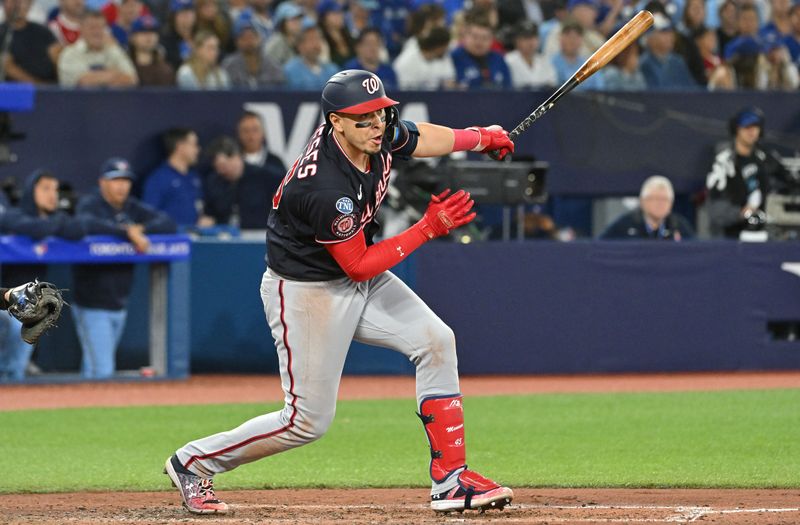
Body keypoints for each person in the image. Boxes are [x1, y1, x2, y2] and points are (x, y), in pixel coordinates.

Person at [164, 69, 515, 515]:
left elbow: (419, 137)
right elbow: (359, 263)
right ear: (336, 123)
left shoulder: (373, 135)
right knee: (306, 422)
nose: (377, 126)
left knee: (436, 341)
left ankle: (450, 481)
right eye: (363, 118)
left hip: (351, 277)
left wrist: (480, 138)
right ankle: (192, 462)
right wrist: (428, 228)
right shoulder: (325, 187)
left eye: (381, 115)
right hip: (307, 292)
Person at [72, 158, 177, 379]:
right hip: (92, 304)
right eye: (115, 180)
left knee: (93, 368)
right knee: (102, 370)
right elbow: (85, 222)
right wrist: (126, 232)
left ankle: (80, 409)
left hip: (118, 302)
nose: (122, 186)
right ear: (102, 182)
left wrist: (141, 228)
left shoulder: (131, 207)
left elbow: (167, 222)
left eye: (125, 180)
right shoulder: (91, 204)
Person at [1, 169, 85, 380]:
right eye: (45, 188)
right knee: (15, 326)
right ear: (31, 191)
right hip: (5, 299)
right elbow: (33, 228)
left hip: (29, 304)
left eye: (55, 190)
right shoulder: (13, 215)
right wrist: (57, 221)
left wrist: (55, 221)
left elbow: (79, 229)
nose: (52, 195)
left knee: (29, 324)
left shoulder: (55, 219)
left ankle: (13, 379)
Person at [706, 107, 792, 238]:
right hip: (731, 234)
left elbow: (789, 179)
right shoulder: (723, 161)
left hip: (764, 231)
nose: (751, 131)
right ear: (736, 129)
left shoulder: (765, 158)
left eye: (755, 127)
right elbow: (715, 206)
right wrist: (741, 213)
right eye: (746, 127)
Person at [144, 127, 214, 228]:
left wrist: (201, 221)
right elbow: (148, 215)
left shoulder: (194, 178)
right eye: (194, 145)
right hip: (171, 240)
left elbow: (198, 207)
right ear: (180, 146)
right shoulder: (158, 179)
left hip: (195, 239)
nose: (198, 149)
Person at [57, 10, 138, 87]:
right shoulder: (70, 54)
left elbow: (131, 79)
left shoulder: (114, 51)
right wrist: (115, 74)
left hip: (113, 100)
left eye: (101, 27)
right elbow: (84, 82)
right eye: (92, 27)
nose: (97, 32)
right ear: (81, 29)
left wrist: (97, 77)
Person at [600, 176, 694, 240]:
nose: (660, 204)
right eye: (655, 199)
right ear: (642, 201)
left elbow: (695, 251)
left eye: (665, 199)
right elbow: (598, 246)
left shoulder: (679, 226)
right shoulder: (624, 225)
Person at [451, 9, 511, 89]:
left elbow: (509, 90)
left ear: (492, 39)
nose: (479, 42)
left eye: (485, 38)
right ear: (465, 36)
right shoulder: (453, 58)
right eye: (475, 37)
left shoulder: (499, 59)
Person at [639, 12, 697, 89]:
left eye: (670, 32)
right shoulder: (644, 65)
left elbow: (692, 90)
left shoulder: (677, 61)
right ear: (650, 38)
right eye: (664, 32)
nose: (670, 36)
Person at [222, 15, 284, 88]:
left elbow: (280, 91)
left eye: (252, 37)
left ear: (259, 38)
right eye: (244, 38)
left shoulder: (273, 65)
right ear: (237, 42)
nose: (249, 41)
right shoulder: (228, 65)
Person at [283, 23, 339, 89]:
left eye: (318, 39)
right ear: (300, 45)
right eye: (311, 40)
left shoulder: (332, 70)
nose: (316, 44)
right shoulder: (290, 70)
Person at [551, 19, 604, 89]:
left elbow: (600, 90)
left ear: (581, 40)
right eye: (568, 35)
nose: (572, 40)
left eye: (576, 36)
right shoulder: (550, 63)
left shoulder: (589, 65)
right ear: (560, 38)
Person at [505, 20, 557, 89]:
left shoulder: (545, 61)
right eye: (526, 38)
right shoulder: (508, 60)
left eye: (534, 37)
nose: (531, 42)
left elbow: (552, 87)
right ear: (517, 40)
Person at [128, 14, 175, 85]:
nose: (148, 36)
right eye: (143, 32)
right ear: (133, 37)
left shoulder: (166, 70)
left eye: (153, 32)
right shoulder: (124, 67)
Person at [263, 0, 304, 66]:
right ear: (282, 23)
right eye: (293, 19)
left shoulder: (302, 40)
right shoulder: (275, 44)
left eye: (299, 18)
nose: (297, 23)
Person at [161, 0, 196, 70]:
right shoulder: (166, 40)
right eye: (182, 12)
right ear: (173, 16)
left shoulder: (200, 34)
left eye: (190, 11)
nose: (187, 16)